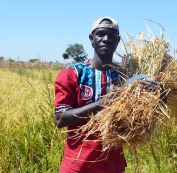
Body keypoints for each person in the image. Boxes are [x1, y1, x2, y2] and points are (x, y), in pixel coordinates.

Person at [54, 16, 126, 173]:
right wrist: (102, 104)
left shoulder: (124, 76)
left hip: (113, 165)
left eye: (112, 35)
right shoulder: (72, 74)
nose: (106, 39)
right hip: (78, 165)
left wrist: (158, 93)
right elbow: (60, 119)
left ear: (118, 41)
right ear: (91, 39)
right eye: (100, 34)